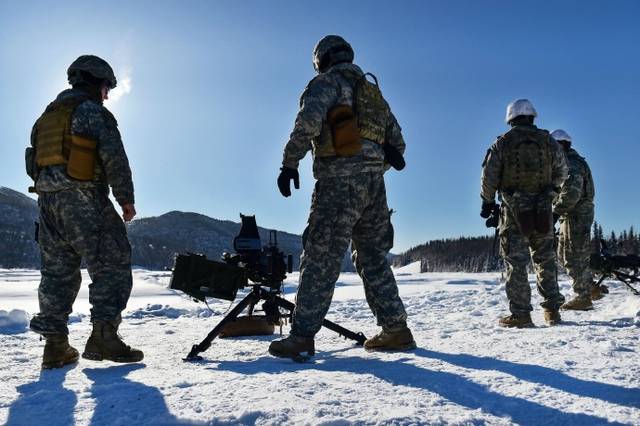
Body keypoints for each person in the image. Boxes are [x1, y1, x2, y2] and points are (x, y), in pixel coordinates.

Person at [269, 35, 414, 360]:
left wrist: (289, 163)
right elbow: (399, 146)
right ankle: (396, 329)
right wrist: (372, 166)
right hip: (375, 187)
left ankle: (302, 336)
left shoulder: (325, 84)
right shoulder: (372, 92)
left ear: (322, 59)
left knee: (321, 256)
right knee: (373, 256)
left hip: (337, 184)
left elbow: (307, 125)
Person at [26, 55, 143, 369]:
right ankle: (104, 336)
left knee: (57, 274)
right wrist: (126, 200)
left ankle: (55, 346)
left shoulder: (46, 117)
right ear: (97, 82)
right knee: (113, 261)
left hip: (47, 205)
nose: (107, 95)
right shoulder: (92, 112)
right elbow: (115, 159)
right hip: (83, 199)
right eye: (107, 88)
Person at [480, 99, 568, 328]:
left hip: (514, 211)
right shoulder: (549, 142)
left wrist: (487, 202)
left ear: (511, 118)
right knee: (545, 260)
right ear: (532, 116)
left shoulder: (503, 143)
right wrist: (552, 192)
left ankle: (521, 314)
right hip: (543, 209)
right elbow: (562, 171)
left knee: (516, 263)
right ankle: (552, 311)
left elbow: (489, 175)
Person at [551, 129, 603, 309]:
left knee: (574, 255)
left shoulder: (572, 163)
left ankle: (583, 297)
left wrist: (555, 212)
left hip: (577, 214)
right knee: (563, 254)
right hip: (571, 214)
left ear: (560, 145)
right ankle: (590, 287)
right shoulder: (569, 161)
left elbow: (572, 193)